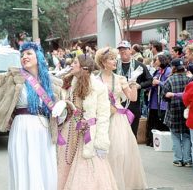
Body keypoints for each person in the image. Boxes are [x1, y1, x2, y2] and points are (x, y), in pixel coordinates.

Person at [0, 43, 63, 190]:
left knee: (44, 169)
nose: (24, 57)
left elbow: (61, 113)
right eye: (22, 55)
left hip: (45, 131)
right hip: (22, 129)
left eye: (29, 53)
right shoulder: (13, 76)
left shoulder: (51, 82)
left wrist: (62, 107)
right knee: (24, 168)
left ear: (39, 56)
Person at [53, 54, 117, 190]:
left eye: (75, 63)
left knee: (88, 166)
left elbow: (104, 116)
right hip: (69, 131)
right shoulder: (70, 83)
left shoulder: (98, 87)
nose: (72, 65)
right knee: (66, 164)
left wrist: (101, 141)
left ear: (83, 67)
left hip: (86, 133)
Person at [95, 47, 148, 190]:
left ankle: (118, 184)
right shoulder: (94, 79)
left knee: (119, 152)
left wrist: (133, 83)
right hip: (101, 118)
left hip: (118, 119)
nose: (115, 61)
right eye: (111, 59)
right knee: (103, 152)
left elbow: (132, 98)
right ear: (103, 62)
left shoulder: (120, 79)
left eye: (114, 58)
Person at [115, 40, 153, 137]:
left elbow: (150, 80)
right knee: (118, 133)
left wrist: (139, 85)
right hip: (117, 103)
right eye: (120, 49)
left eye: (125, 49)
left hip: (134, 103)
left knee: (132, 132)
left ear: (130, 50)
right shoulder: (114, 66)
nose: (122, 51)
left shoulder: (139, 66)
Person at [162, 58, 192, 167]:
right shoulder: (190, 79)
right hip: (187, 111)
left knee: (175, 136)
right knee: (186, 136)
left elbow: (164, 97)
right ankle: (188, 159)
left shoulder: (169, 80)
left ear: (173, 68)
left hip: (173, 111)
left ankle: (178, 159)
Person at [146, 55, 171, 147]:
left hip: (162, 102)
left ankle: (163, 143)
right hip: (154, 101)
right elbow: (152, 81)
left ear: (161, 61)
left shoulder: (168, 71)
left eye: (156, 60)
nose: (154, 61)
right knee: (153, 121)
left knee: (161, 123)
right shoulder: (157, 71)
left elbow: (169, 84)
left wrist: (158, 82)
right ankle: (152, 141)